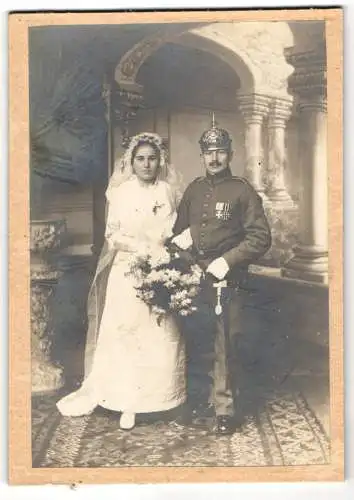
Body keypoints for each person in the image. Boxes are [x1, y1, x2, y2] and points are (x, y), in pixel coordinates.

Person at [57, 132, 186, 430]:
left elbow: (175, 228)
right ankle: (127, 402)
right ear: (131, 161)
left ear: (160, 161)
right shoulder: (121, 193)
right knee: (127, 333)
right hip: (127, 271)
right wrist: (138, 249)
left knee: (160, 329)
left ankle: (163, 398)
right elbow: (112, 234)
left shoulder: (167, 191)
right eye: (140, 159)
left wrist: (162, 253)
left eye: (152, 158)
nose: (146, 164)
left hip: (161, 269)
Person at [171, 115, 272, 435]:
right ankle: (201, 400)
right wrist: (184, 256)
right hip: (195, 278)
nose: (214, 158)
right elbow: (179, 233)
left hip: (228, 280)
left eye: (220, 152)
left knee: (224, 342)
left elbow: (259, 237)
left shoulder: (242, 190)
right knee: (196, 338)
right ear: (201, 155)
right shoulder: (194, 189)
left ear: (230, 155)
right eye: (208, 152)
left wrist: (227, 261)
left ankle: (225, 409)